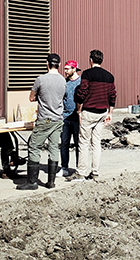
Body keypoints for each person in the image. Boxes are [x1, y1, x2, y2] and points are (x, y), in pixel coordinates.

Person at [17, 53, 66, 190]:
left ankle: (32, 182)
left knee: (34, 146)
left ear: (47, 63)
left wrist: (41, 97)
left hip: (45, 119)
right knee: (54, 147)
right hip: (58, 119)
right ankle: (51, 182)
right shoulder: (63, 80)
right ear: (59, 65)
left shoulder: (40, 79)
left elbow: (31, 97)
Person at [66, 49, 117, 182]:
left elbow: (82, 93)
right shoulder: (109, 76)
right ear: (101, 60)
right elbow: (112, 96)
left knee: (83, 143)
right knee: (96, 143)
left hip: (89, 112)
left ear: (91, 60)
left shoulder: (87, 74)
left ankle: (81, 172)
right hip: (102, 112)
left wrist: (79, 110)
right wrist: (110, 112)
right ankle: (95, 171)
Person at [58, 60, 81, 177]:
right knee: (64, 143)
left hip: (77, 118)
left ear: (74, 69)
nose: (65, 71)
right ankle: (64, 167)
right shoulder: (65, 83)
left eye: (68, 69)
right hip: (65, 118)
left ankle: (79, 168)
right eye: (65, 69)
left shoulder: (81, 82)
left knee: (78, 144)